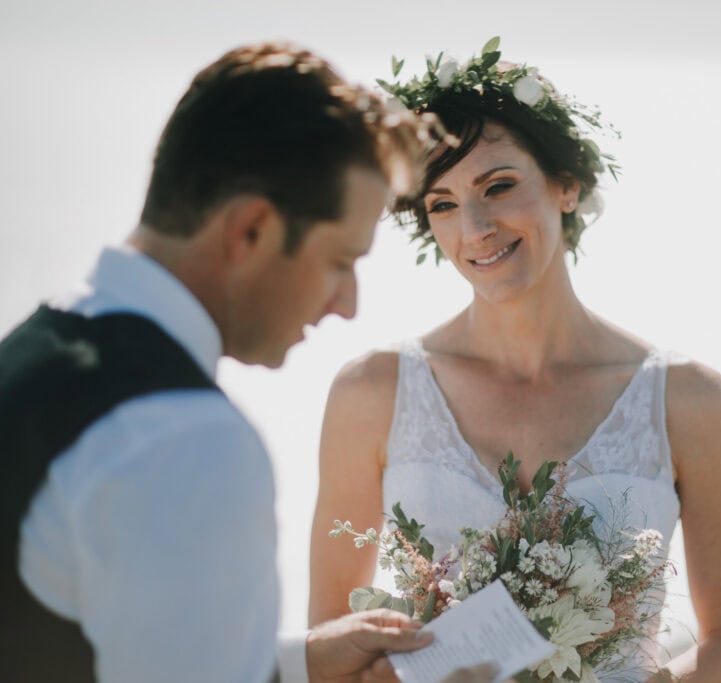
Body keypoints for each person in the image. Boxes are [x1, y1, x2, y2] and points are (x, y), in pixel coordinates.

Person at [0, 41, 496, 683]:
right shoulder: (187, 439)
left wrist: (305, 662)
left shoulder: (36, 350)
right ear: (251, 231)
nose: (347, 304)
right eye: (341, 262)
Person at [309, 39, 721, 682]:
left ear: (566, 185)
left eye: (499, 186)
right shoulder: (370, 394)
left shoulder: (690, 401)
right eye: (442, 203)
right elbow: (328, 646)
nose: (475, 227)